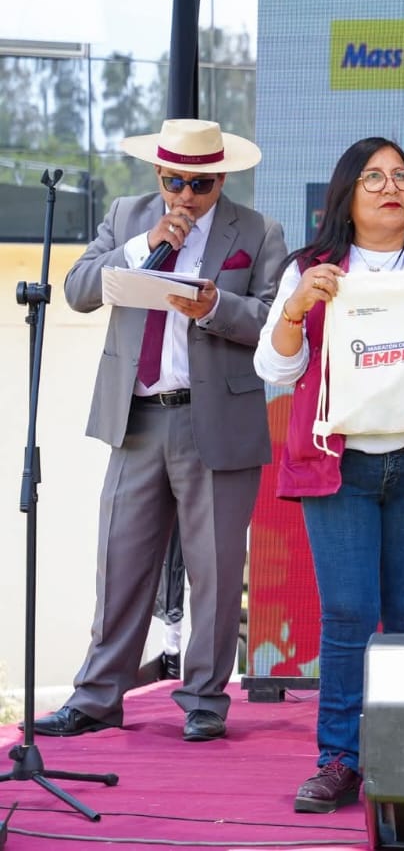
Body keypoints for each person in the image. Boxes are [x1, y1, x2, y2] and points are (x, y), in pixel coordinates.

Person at [254, 137, 404, 813]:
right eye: (373, 177)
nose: (391, 187)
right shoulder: (312, 271)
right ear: (346, 196)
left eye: (402, 176)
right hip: (341, 470)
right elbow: (275, 370)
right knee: (348, 614)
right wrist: (296, 308)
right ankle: (339, 760)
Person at [34, 119, 286, 743]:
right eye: (175, 182)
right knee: (119, 562)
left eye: (200, 185)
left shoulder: (258, 231)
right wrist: (143, 244)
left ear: (221, 179)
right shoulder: (127, 216)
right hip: (137, 417)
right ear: (158, 174)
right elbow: (77, 290)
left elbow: (276, 324)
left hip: (216, 421)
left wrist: (215, 308)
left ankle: (204, 699)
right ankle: (97, 697)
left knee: (216, 572)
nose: (186, 196)